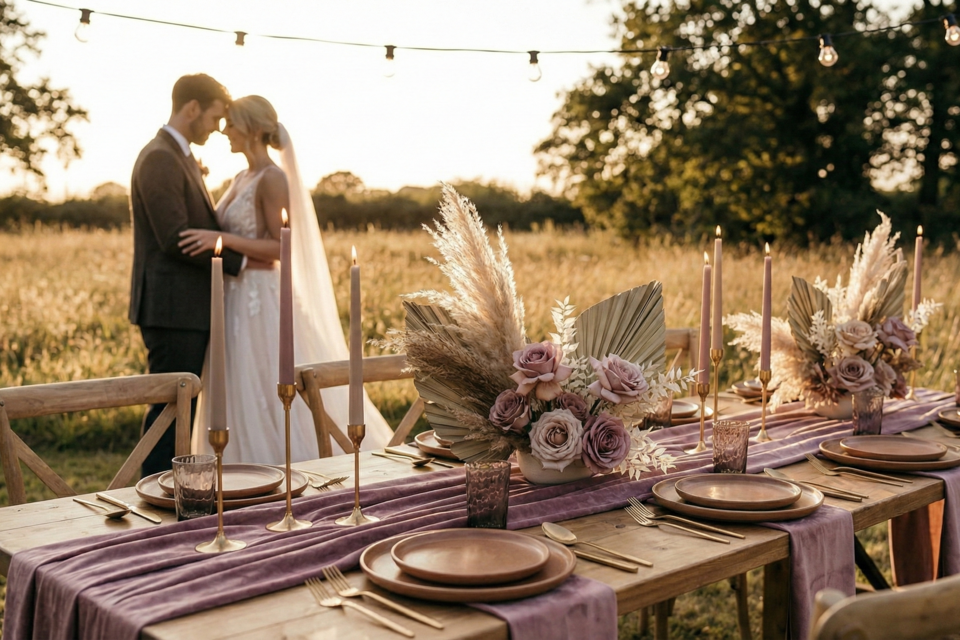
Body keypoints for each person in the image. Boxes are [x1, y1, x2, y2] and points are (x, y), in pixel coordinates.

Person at [179, 95, 392, 464]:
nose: (224, 131)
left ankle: (286, 465)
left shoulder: (273, 178)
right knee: (236, 387)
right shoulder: (240, 177)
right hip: (233, 297)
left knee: (264, 382)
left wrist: (222, 241)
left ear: (253, 130)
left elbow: (281, 247)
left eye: (231, 124)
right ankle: (232, 467)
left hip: (260, 298)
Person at [129, 74, 247, 477]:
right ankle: (154, 499)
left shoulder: (177, 155)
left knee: (180, 413)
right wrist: (241, 262)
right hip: (172, 309)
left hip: (184, 308)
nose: (217, 128)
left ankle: (171, 497)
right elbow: (174, 237)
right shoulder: (160, 156)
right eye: (214, 117)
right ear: (192, 107)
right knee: (169, 415)